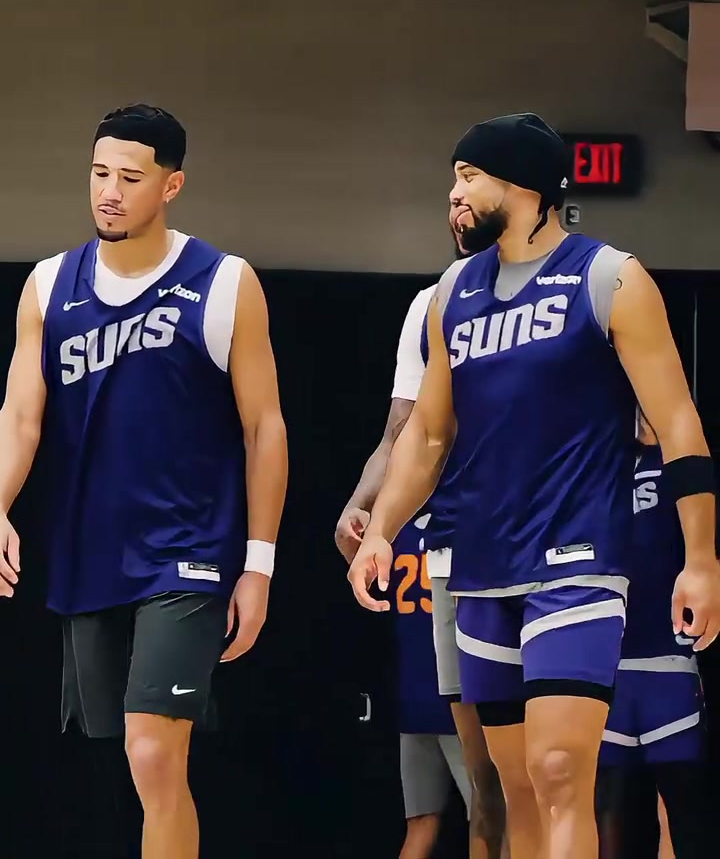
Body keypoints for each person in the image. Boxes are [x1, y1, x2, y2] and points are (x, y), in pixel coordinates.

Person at [348, 112, 720, 859]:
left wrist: (701, 558)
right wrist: (382, 528)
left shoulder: (610, 277)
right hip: (483, 566)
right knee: (512, 787)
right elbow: (428, 435)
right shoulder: (452, 292)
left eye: (468, 177)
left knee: (558, 771)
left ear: (521, 185)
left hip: (578, 561)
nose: (453, 194)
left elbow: (678, 422)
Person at [0, 104, 288, 859]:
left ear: (171, 185)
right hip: (92, 548)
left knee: (154, 750)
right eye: (99, 174)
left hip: (189, 551)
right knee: (118, 761)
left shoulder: (224, 282)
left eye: (130, 178)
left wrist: (258, 565)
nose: (109, 192)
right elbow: (21, 416)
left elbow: (265, 428)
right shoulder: (48, 286)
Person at [336, 208, 505, 859]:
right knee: (489, 795)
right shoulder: (432, 304)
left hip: (542, 543)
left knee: (547, 778)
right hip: (456, 547)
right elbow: (402, 433)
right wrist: (366, 510)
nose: (459, 201)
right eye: (455, 183)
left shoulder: (583, 284)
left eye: (475, 181)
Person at [597, 411, 713, 858]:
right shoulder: (595, 465)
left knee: (685, 812)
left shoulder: (685, 466)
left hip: (669, 662)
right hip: (604, 667)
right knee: (613, 818)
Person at [388, 517, 474, 858]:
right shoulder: (461, 525)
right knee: (490, 817)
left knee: (421, 823)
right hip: (459, 696)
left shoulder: (396, 532)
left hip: (412, 696)